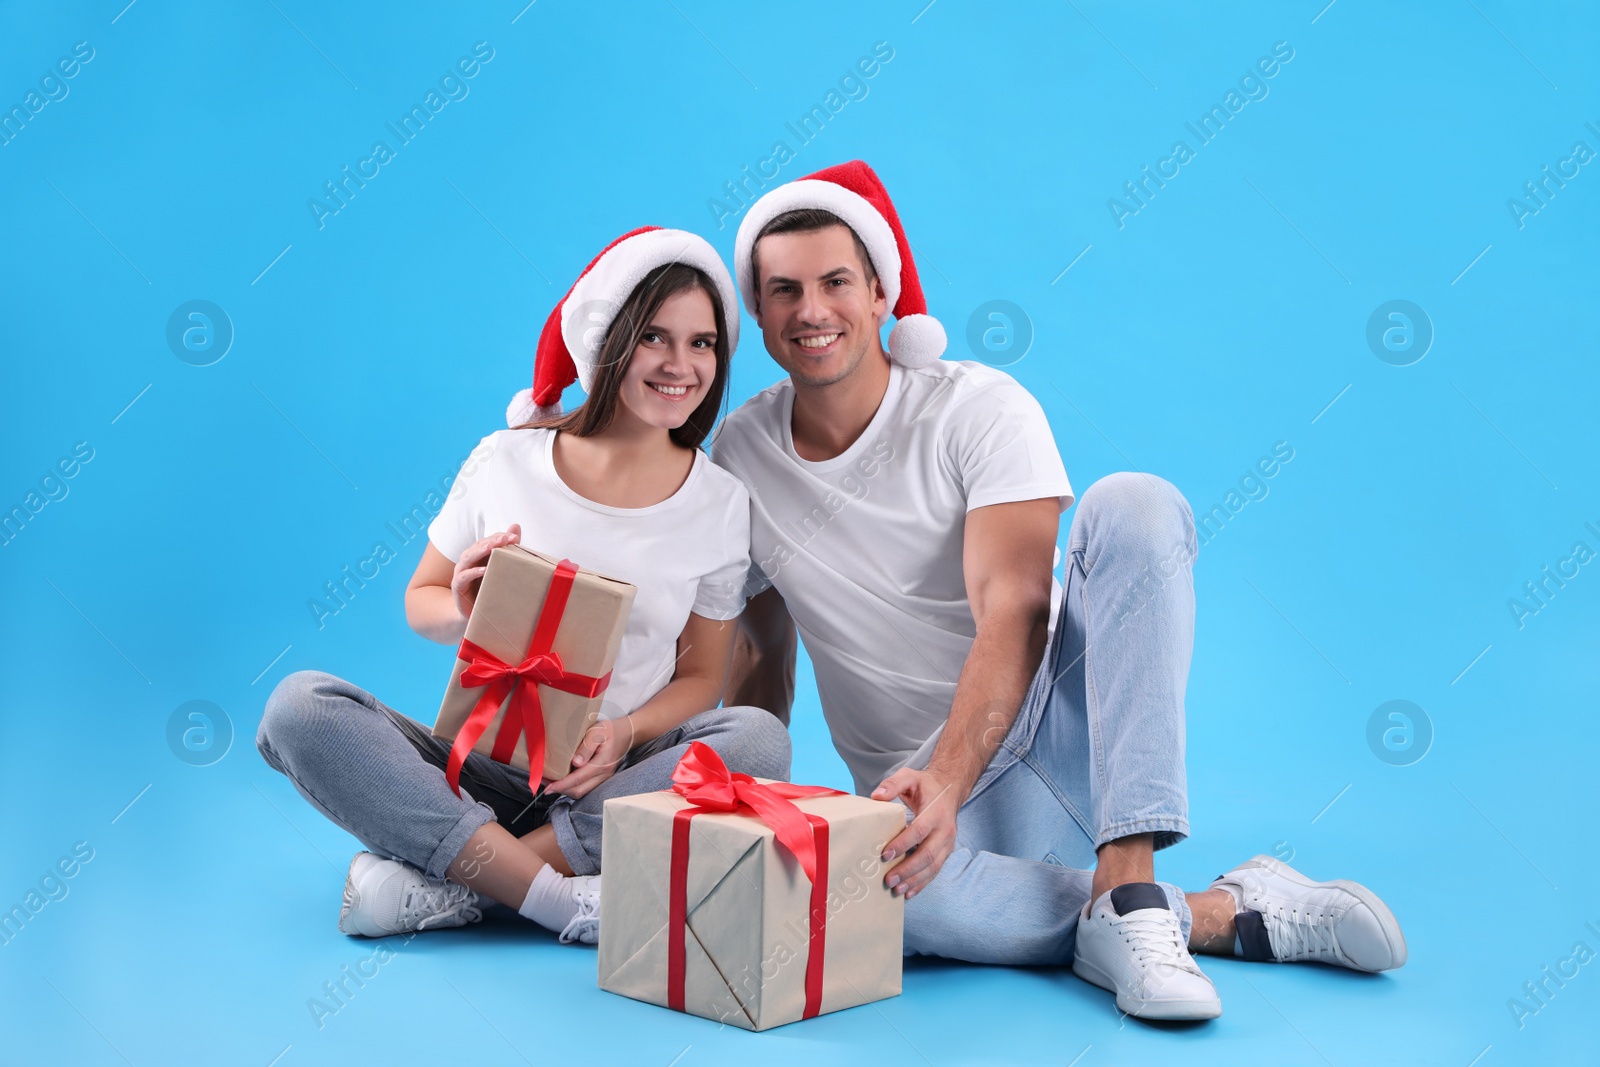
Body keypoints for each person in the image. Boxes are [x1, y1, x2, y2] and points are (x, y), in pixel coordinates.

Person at [712, 161, 1406, 1020]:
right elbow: (756, 643)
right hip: (925, 813)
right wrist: (737, 805)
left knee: (1136, 504)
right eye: (784, 290)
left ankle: (1129, 873)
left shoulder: (977, 408)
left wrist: (948, 781)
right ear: (757, 307)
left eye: (835, 282)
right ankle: (1215, 911)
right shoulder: (740, 457)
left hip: (1060, 737)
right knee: (868, 896)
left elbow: (1016, 608)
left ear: (882, 291)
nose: (811, 311)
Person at [258, 227, 789, 946]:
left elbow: (702, 676)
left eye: (703, 343)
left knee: (757, 740)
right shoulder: (507, 459)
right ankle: (557, 899)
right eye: (655, 337)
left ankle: (456, 884)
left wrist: (623, 732)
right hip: (474, 769)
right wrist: (464, 609)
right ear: (608, 339)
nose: (680, 364)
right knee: (300, 709)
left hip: (608, 784)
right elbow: (423, 600)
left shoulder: (721, 503)